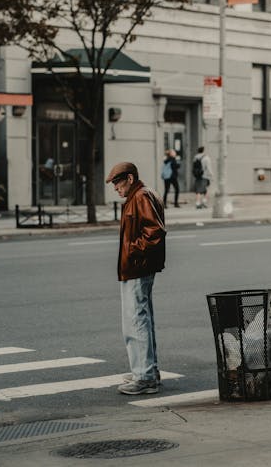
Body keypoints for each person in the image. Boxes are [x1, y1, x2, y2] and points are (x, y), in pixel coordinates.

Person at [106, 161, 166, 396]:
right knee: (142, 319)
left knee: (136, 321)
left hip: (137, 268)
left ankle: (144, 376)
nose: (116, 188)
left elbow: (155, 232)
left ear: (129, 179)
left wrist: (132, 251)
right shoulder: (142, 195)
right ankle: (147, 371)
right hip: (139, 267)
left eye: (117, 183)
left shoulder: (140, 197)